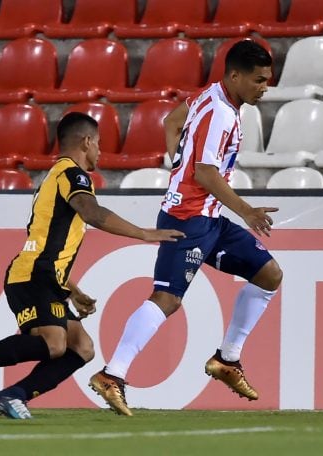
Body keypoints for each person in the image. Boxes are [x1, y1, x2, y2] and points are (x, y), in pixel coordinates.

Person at [0, 113, 184, 419]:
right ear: (87, 141)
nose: (100, 152)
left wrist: (72, 290)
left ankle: (13, 394)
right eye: (98, 144)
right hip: (32, 275)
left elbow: (50, 245)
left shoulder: (55, 177)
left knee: (82, 347)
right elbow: (92, 213)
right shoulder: (73, 175)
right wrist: (144, 233)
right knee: (54, 344)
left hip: (45, 276)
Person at [88, 40, 282, 416]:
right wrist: (246, 211)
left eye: (267, 80)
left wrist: (177, 162)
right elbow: (205, 172)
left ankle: (227, 359)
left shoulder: (211, 95)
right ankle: (113, 374)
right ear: (236, 75)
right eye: (259, 80)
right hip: (189, 218)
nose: (264, 87)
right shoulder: (222, 115)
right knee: (168, 299)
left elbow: (171, 121)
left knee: (269, 275)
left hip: (208, 217)